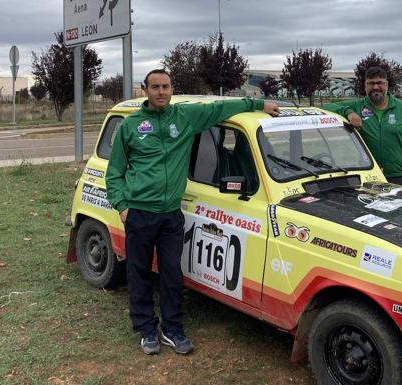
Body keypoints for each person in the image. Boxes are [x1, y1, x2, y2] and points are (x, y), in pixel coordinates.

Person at [106, 69, 280, 355]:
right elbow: (114, 174)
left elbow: (221, 107)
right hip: (139, 214)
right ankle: (146, 329)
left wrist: (258, 105)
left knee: (172, 273)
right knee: (138, 274)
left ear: (171, 88)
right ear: (145, 90)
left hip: (172, 215)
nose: (161, 91)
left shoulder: (185, 117)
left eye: (165, 86)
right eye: (155, 87)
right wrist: (123, 207)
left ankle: (172, 330)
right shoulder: (131, 126)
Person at [324, 66, 402, 187]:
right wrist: (349, 112)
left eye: (380, 83)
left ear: (387, 85)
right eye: (371, 83)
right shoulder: (358, 106)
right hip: (368, 175)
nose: (375, 87)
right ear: (365, 86)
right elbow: (326, 108)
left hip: (399, 176)